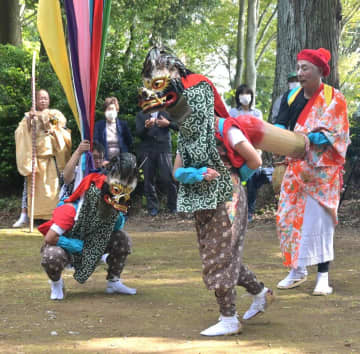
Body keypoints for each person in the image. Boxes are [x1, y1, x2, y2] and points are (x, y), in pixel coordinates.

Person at [140, 48, 273, 336]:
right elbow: (176, 171)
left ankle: (229, 318)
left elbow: (255, 159)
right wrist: (195, 173)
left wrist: (234, 178)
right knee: (218, 255)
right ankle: (261, 293)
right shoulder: (188, 137)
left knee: (219, 258)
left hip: (227, 200)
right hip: (201, 202)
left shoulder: (224, 127)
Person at [275, 48, 350, 295]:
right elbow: (279, 125)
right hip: (295, 170)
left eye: (305, 68)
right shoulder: (291, 96)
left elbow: (335, 134)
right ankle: (296, 269)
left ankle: (323, 276)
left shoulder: (333, 98)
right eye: (298, 68)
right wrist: (277, 139)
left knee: (319, 224)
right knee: (287, 219)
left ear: (320, 70)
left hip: (322, 173)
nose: (300, 73)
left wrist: (306, 139)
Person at [38, 154, 138, 300]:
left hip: (93, 243)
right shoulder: (69, 211)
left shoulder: (110, 208)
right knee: (51, 256)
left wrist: (117, 213)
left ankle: (114, 281)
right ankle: (56, 284)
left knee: (122, 239)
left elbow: (116, 228)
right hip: (70, 247)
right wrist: (78, 246)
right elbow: (50, 238)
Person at [14, 89, 71, 225]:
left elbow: (60, 124)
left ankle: (53, 215)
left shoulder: (54, 113)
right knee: (29, 188)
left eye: (45, 98)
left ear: (49, 100)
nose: (43, 100)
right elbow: (20, 132)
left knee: (52, 188)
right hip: (33, 158)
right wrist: (29, 121)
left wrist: (43, 117)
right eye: (40, 98)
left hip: (49, 158)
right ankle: (24, 214)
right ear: (36, 100)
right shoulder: (29, 115)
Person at [229, 84, 264, 222]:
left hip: (253, 151)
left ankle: (250, 211)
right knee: (235, 181)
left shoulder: (257, 113)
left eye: (247, 93)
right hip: (236, 151)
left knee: (251, 183)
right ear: (238, 97)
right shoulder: (232, 112)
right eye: (242, 94)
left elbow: (261, 132)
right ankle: (235, 210)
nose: (245, 96)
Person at [135, 110, 178, 216]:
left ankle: (173, 206)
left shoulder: (167, 112)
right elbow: (138, 134)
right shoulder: (141, 114)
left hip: (164, 149)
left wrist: (168, 124)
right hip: (147, 150)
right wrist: (146, 127)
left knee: (168, 178)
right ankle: (152, 208)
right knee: (148, 180)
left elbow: (179, 126)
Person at [94, 97, 133, 161]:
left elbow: (129, 141)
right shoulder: (98, 125)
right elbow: (96, 144)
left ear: (117, 110)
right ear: (104, 111)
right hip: (104, 161)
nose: (110, 111)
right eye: (108, 109)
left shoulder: (123, 125)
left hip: (121, 162)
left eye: (112, 109)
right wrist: (102, 160)